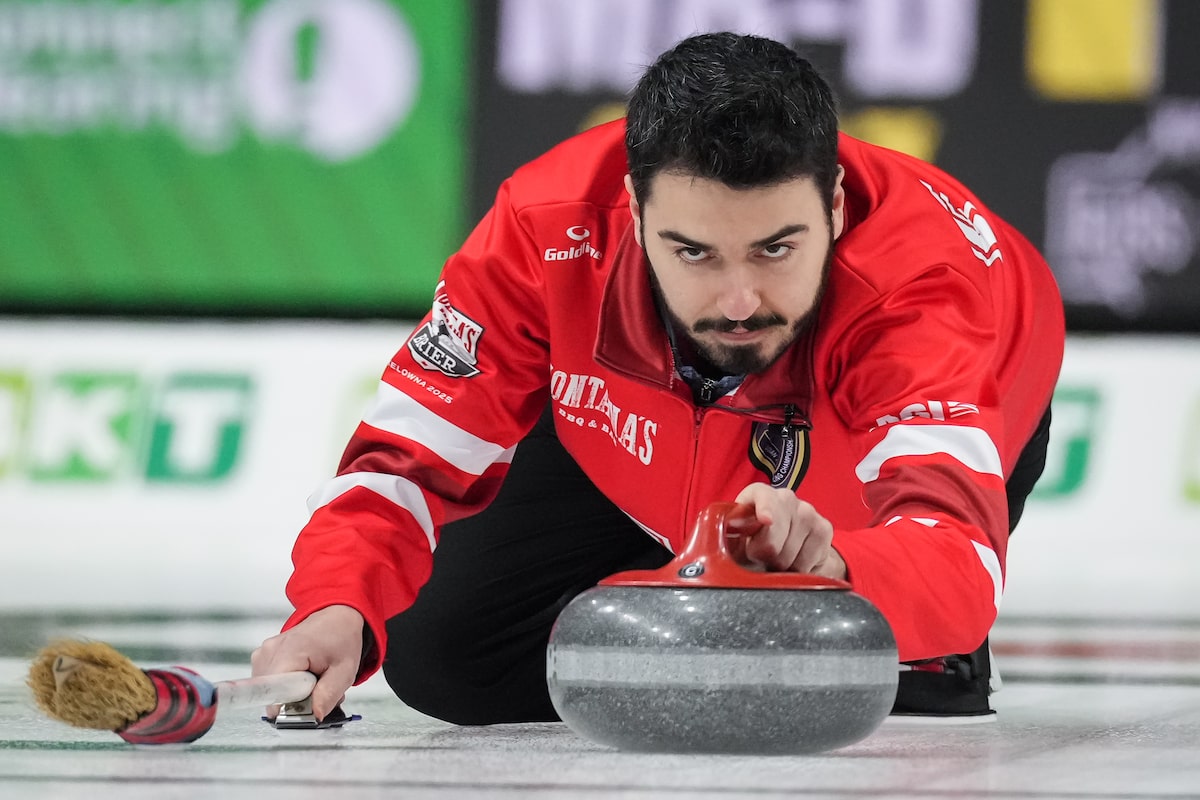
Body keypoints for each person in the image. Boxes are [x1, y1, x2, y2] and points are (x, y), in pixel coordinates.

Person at [252, 32, 1065, 724]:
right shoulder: (543, 229)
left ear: (837, 209)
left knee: (870, 668)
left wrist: (843, 571)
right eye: (695, 252)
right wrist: (335, 601)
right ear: (634, 211)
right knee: (442, 659)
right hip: (624, 443)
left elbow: (953, 553)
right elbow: (408, 453)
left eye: (777, 248)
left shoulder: (920, 289)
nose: (740, 301)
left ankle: (913, 663)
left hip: (854, 493)